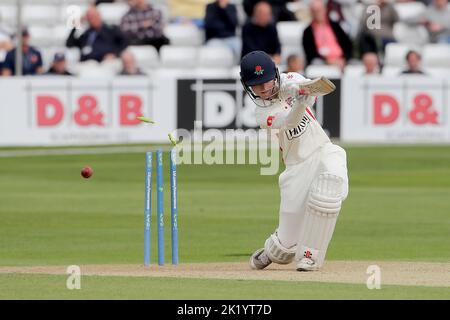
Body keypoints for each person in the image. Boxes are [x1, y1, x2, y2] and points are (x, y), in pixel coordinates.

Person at [240, 51, 348, 271]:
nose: (262, 88)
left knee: (330, 182)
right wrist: (298, 103)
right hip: (296, 168)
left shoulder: (291, 79)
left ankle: (310, 255)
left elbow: (311, 88)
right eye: (256, 84)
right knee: (285, 249)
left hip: (321, 150)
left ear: (276, 75)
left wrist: (298, 91)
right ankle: (273, 250)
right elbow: (289, 122)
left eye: (266, 81)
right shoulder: (261, 113)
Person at [302, 0, 352, 70]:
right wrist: (328, 61)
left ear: (325, 10)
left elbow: (348, 45)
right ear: (311, 13)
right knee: (316, 63)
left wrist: (344, 59)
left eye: (319, 10)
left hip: (341, 60)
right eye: (314, 11)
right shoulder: (307, 31)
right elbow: (310, 53)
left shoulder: (335, 25)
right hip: (322, 61)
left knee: (355, 64)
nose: (317, 13)